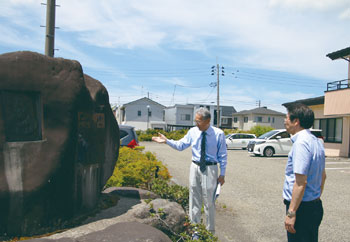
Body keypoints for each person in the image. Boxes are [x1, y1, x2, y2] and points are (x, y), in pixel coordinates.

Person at [152, 107, 227, 235]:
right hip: (195, 167)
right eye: (195, 121)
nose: (196, 123)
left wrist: (222, 174)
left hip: (210, 168)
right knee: (194, 201)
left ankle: (209, 234)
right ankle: (195, 233)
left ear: (207, 120)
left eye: (199, 121)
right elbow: (181, 145)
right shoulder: (193, 131)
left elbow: (223, 155)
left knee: (209, 202)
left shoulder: (218, 134)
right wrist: (167, 141)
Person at [283, 103, 326, 242]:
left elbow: (300, 182)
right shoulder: (316, 141)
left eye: (287, 118)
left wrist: (291, 213)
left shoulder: (301, 143)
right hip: (314, 205)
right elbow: (323, 176)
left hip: (302, 209)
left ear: (296, 121)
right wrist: (315, 196)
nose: (285, 121)